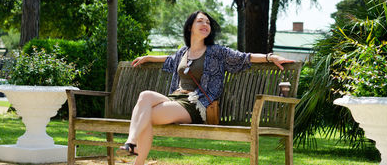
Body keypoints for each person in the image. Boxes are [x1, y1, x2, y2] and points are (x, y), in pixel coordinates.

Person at [117, 10, 295, 164]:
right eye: (200, 21)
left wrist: (270, 57)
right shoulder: (182, 52)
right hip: (176, 99)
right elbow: (169, 59)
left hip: (197, 105)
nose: (205, 24)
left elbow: (245, 57)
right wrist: (149, 57)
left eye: (208, 22)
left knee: (145, 115)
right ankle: (132, 144)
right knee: (145, 96)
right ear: (190, 27)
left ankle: (134, 149)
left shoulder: (217, 52)